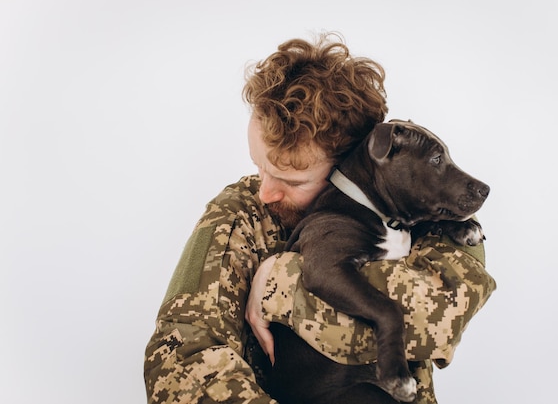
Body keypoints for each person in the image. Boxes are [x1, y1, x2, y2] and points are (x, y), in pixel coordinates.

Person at [144, 32, 496, 404]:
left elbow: (441, 320)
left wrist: (281, 283)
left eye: (292, 180)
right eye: (259, 167)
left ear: (354, 165)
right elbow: (179, 358)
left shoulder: (433, 210)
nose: (265, 192)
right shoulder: (240, 212)